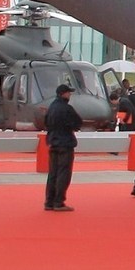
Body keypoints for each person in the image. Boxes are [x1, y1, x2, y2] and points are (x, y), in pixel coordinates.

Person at [43, 82, 83, 212]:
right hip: (65, 142)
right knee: (63, 173)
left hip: (53, 141)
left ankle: (49, 201)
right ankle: (59, 201)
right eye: (68, 92)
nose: (70, 94)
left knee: (53, 173)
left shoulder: (51, 107)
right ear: (63, 94)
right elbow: (77, 123)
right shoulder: (67, 109)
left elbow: (46, 123)